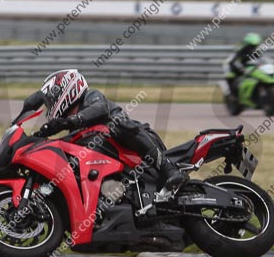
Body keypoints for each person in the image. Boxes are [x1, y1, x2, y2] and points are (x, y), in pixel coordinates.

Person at [24, 69, 188, 190]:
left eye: (50, 101)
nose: (50, 106)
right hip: (120, 165)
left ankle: (169, 168)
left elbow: (100, 109)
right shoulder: (74, 125)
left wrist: (68, 122)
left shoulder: (91, 97)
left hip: (140, 141)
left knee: (118, 124)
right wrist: (38, 136)